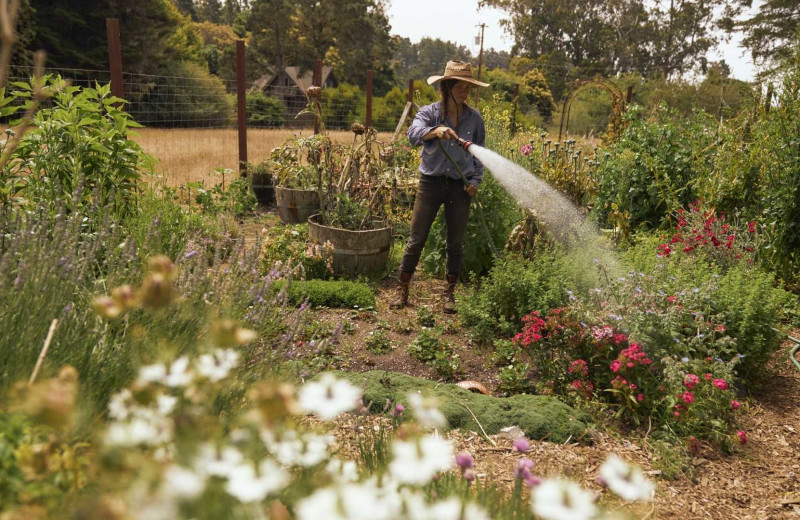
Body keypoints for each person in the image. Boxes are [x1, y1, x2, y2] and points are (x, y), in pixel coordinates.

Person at [390, 60, 489, 313]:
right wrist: (436, 131)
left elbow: (480, 154)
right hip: (430, 184)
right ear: (446, 87)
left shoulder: (475, 119)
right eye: (459, 87)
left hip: (460, 187)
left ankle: (449, 293)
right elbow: (413, 134)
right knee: (416, 238)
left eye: (468, 87)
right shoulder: (430, 113)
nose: (464, 92)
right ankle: (402, 289)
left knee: (455, 242)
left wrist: (475, 182)